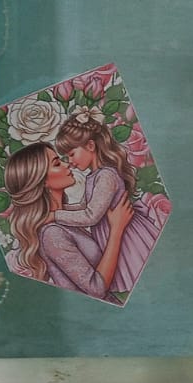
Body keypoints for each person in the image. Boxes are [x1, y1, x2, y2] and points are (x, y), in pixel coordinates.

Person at [3, 143, 135, 303]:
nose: (67, 165)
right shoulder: (52, 233)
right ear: (42, 181)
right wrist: (117, 230)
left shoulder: (65, 219)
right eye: (57, 164)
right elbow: (97, 289)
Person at [52, 115, 164, 295]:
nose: (70, 162)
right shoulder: (94, 176)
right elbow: (85, 206)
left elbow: (91, 216)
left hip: (127, 236)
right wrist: (61, 210)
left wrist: (55, 216)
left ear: (90, 145)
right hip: (109, 231)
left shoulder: (106, 176)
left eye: (71, 154)